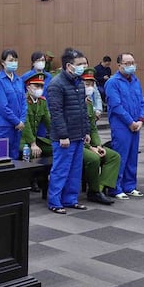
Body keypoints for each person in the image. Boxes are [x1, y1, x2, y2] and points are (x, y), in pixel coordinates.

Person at [45, 47, 90, 214]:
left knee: (75, 170)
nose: (83, 67)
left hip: (78, 134)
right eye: (80, 64)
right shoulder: (56, 85)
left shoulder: (79, 82)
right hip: (64, 137)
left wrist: (86, 131)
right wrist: (63, 135)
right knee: (61, 169)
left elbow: (83, 110)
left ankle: (70, 199)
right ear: (69, 65)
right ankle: (54, 201)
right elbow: (56, 113)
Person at [105, 52, 144, 200]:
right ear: (119, 65)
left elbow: (141, 101)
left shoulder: (135, 81)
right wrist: (130, 122)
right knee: (120, 157)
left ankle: (130, 186)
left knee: (132, 157)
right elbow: (116, 106)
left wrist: (140, 119)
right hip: (121, 125)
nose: (131, 66)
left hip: (135, 124)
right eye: (127, 63)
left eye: (132, 62)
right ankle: (115, 187)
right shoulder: (113, 82)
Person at [81, 68, 120, 205]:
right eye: (86, 84)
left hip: (90, 143)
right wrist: (89, 148)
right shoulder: (74, 103)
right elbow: (72, 130)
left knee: (114, 156)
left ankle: (99, 189)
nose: (90, 87)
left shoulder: (89, 103)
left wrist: (97, 145)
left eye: (92, 84)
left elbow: (93, 128)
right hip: (76, 144)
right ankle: (94, 190)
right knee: (94, 158)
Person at [0, 49, 27, 160]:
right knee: (3, 157)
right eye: (11, 60)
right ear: (3, 62)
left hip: (18, 126)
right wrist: (16, 121)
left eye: (16, 60)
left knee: (14, 156)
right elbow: (2, 106)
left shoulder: (19, 80)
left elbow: (24, 102)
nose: (14, 63)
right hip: (4, 125)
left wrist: (22, 121)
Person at [21, 73, 53, 158]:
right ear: (28, 87)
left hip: (35, 139)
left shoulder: (42, 102)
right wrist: (33, 143)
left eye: (41, 86)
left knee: (57, 149)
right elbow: (25, 124)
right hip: (22, 140)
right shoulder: (23, 101)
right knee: (31, 154)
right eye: (36, 86)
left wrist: (60, 137)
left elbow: (49, 122)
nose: (39, 89)